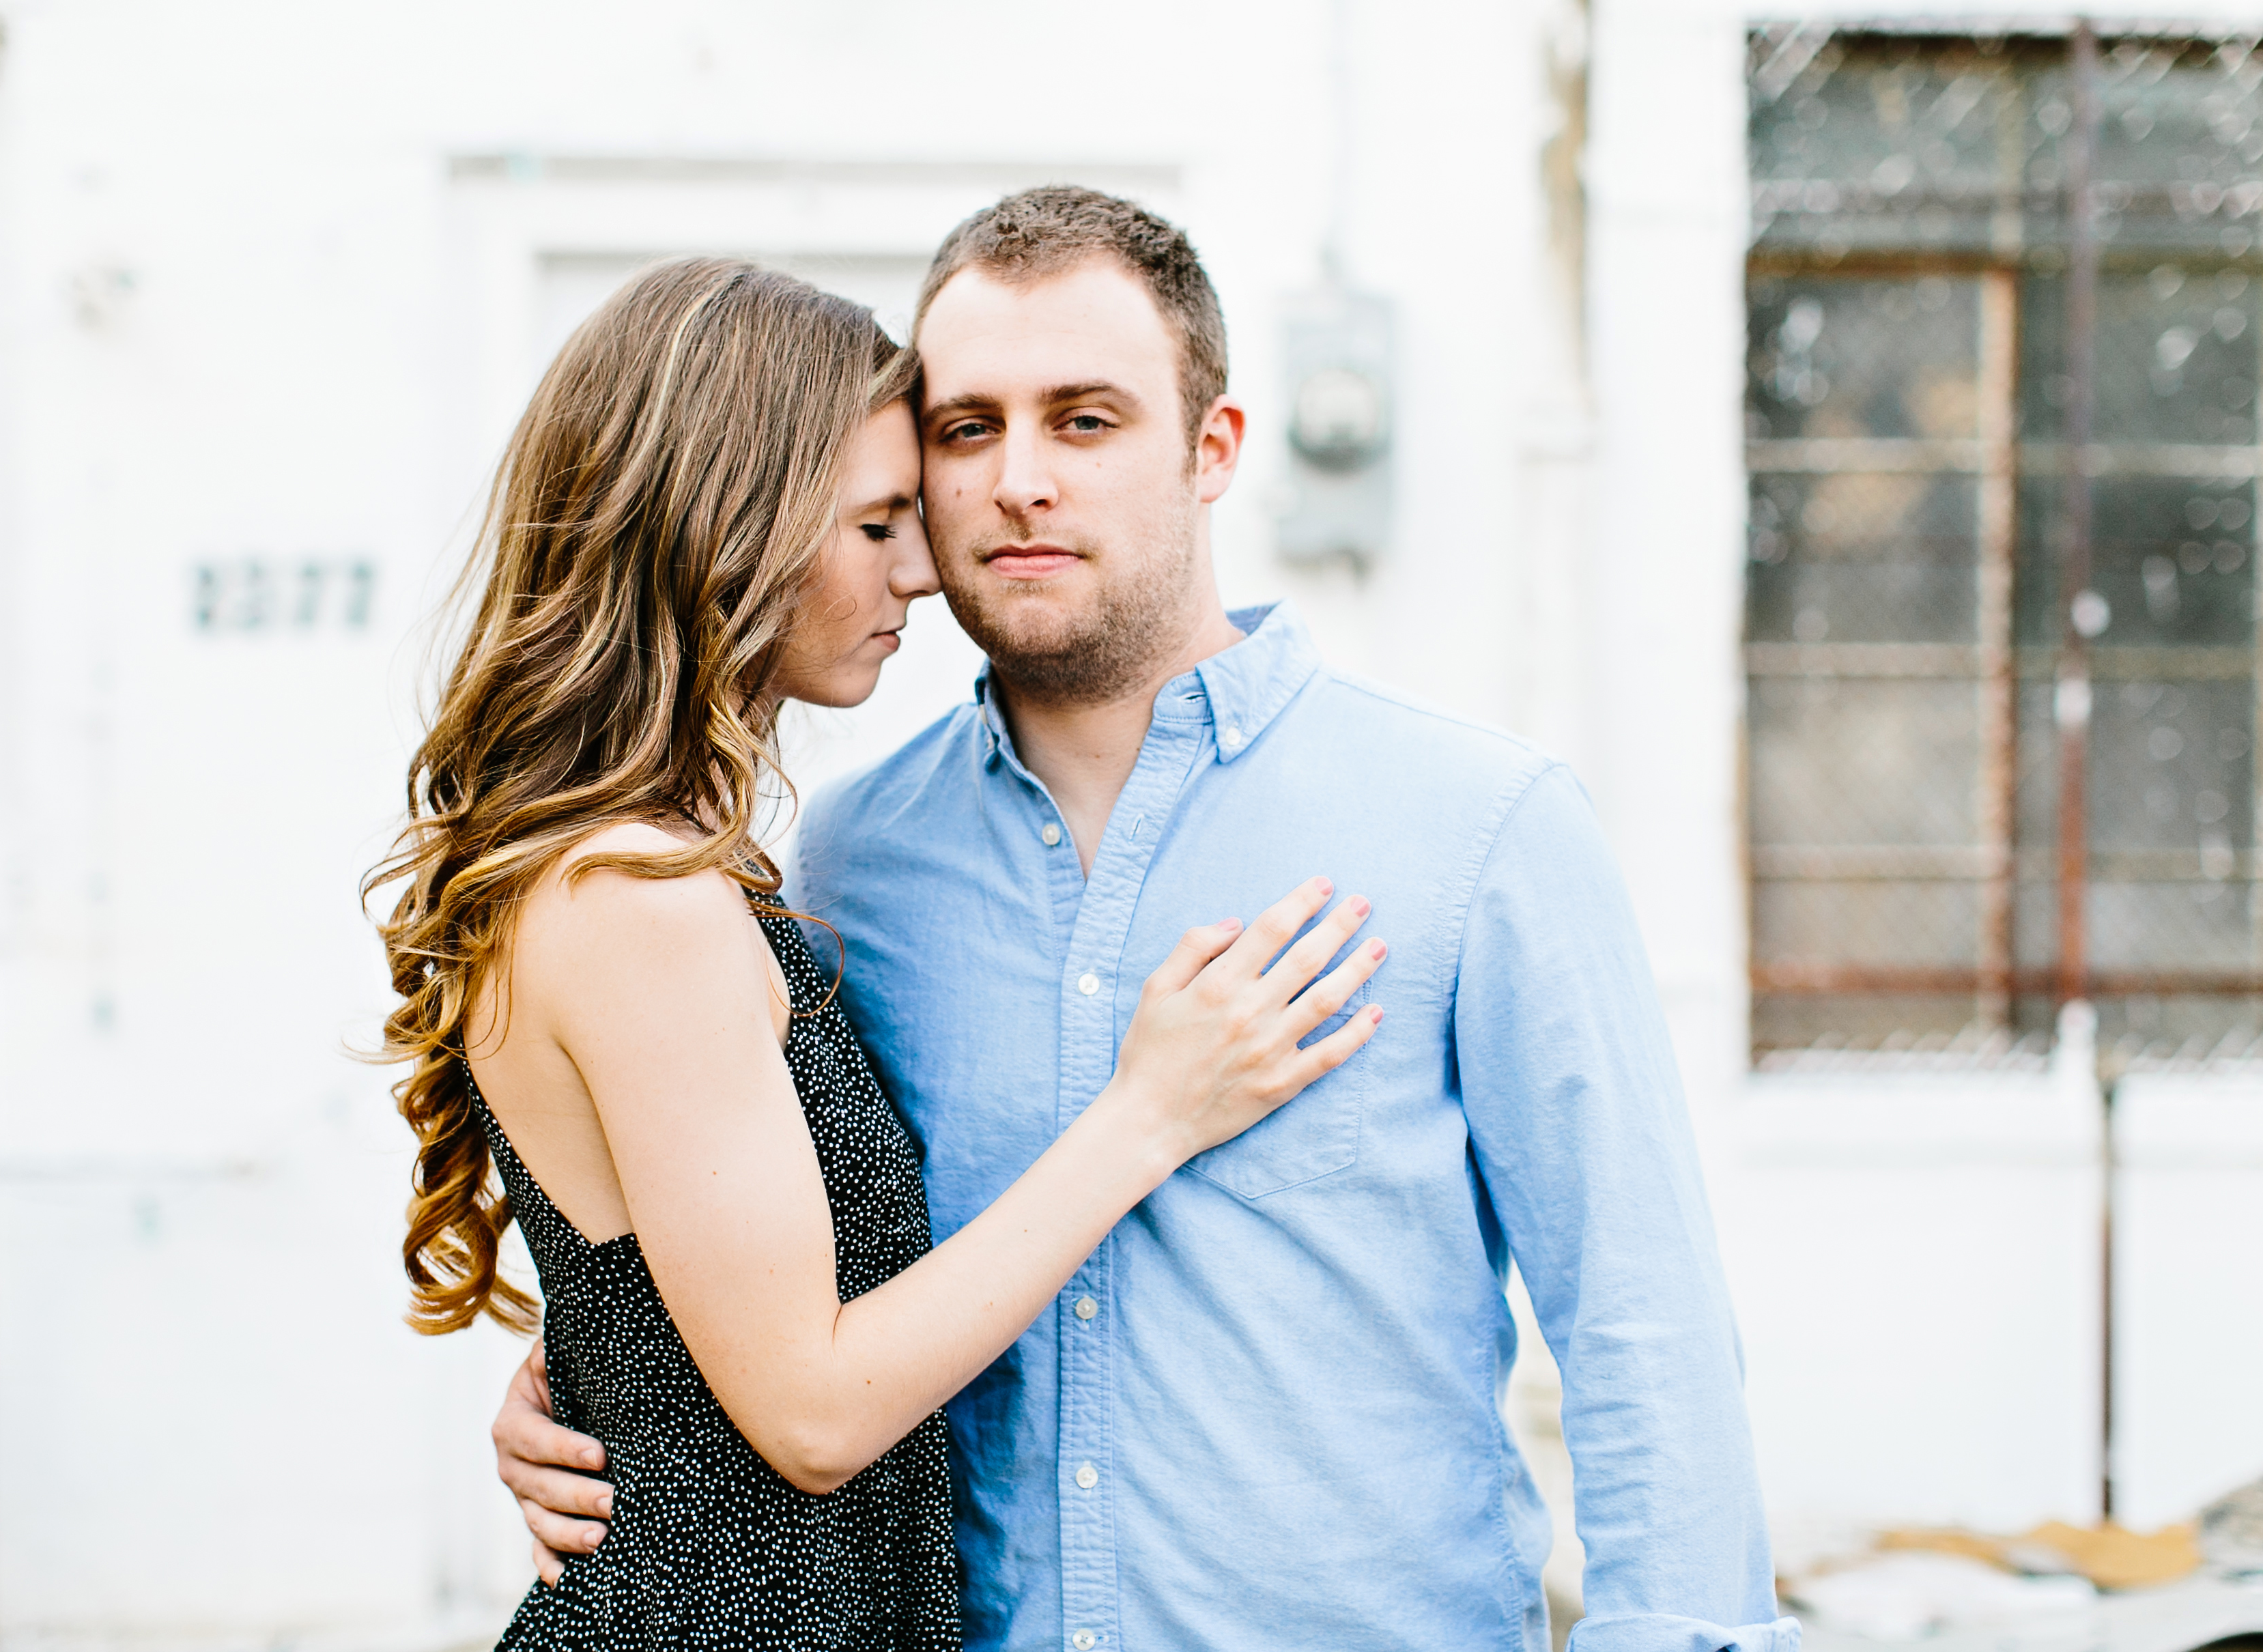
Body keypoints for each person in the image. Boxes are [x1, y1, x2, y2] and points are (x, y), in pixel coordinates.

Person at [494, 193, 1802, 1652]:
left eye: (1087, 419)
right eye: (969, 427)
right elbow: (774, 1269)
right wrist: (608, 1384)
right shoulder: (851, 862)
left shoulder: (1479, 829)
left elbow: (1645, 1343)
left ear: (1212, 450)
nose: (1019, 482)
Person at [366, 255, 1388, 1650]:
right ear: (727, 527)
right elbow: (814, 1410)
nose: (921, 568)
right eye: (876, 525)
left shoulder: (653, 869)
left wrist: (595, 1376)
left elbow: (687, 1305)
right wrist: (1150, 1113)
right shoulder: (636, 894)